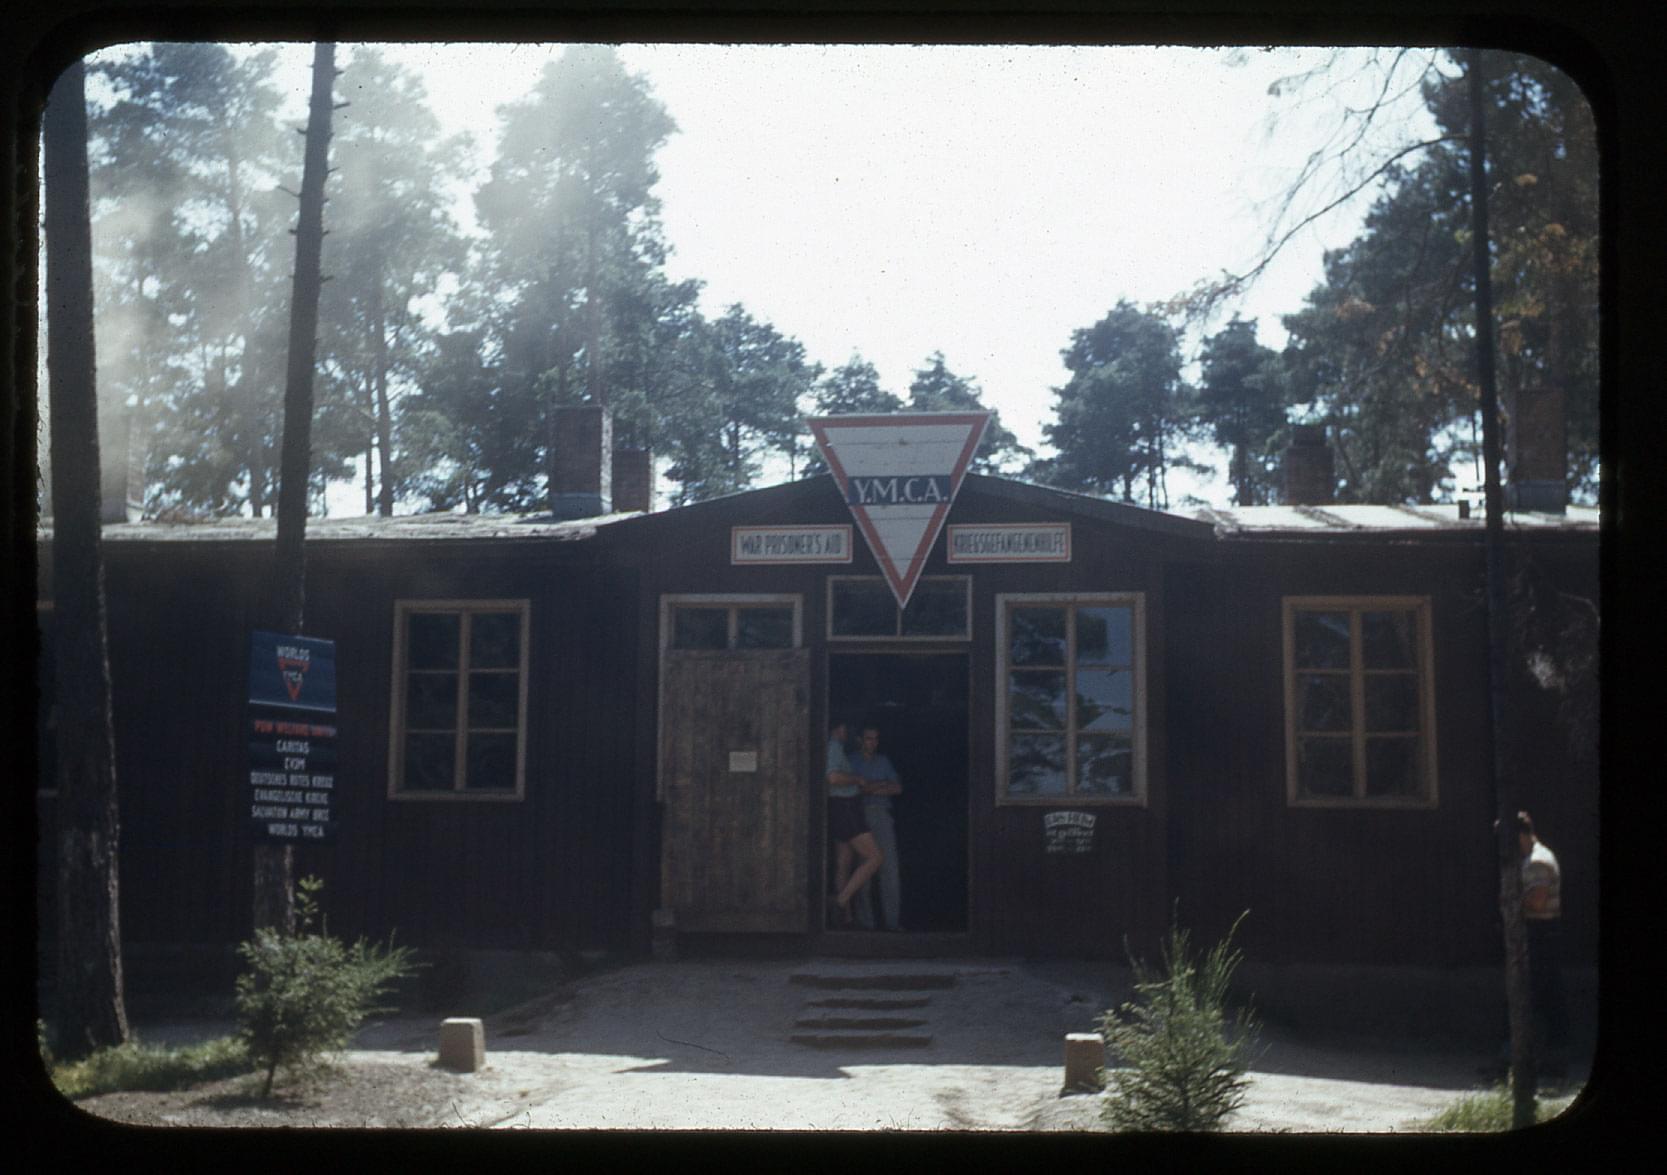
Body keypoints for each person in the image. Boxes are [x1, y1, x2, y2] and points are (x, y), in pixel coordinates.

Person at [1516, 810, 1570, 1074]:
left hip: (1542, 933)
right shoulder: (1532, 858)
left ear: (1520, 835)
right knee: (1544, 994)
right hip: (1541, 933)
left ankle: (1551, 1057)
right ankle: (1547, 1056)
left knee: (1543, 995)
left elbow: (1537, 901)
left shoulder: (1538, 861)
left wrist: (1513, 898)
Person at [824, 719, 882, 927]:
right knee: (875, 857)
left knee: (844, 862)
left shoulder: (833, 748)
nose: (847, 733)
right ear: (839, 729)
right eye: (845, 729)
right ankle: (840, 901)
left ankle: (845, 918)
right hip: (847, 807)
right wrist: (857, 780)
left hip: (839, 808)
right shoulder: (834, 747)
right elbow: (833, 777)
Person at [852, 724, 904, 931]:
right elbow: (854, 790)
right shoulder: (852, 761)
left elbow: (897, 788)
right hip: (860, 816)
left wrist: (870, 787)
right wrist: (882, 784)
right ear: (860, 740)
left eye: (875, 739)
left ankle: (892, 922)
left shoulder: (883, 761)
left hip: (882, 816)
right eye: (868, 738)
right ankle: (865, 923)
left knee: (889, 869)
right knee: (864, 868)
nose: (872, 743)